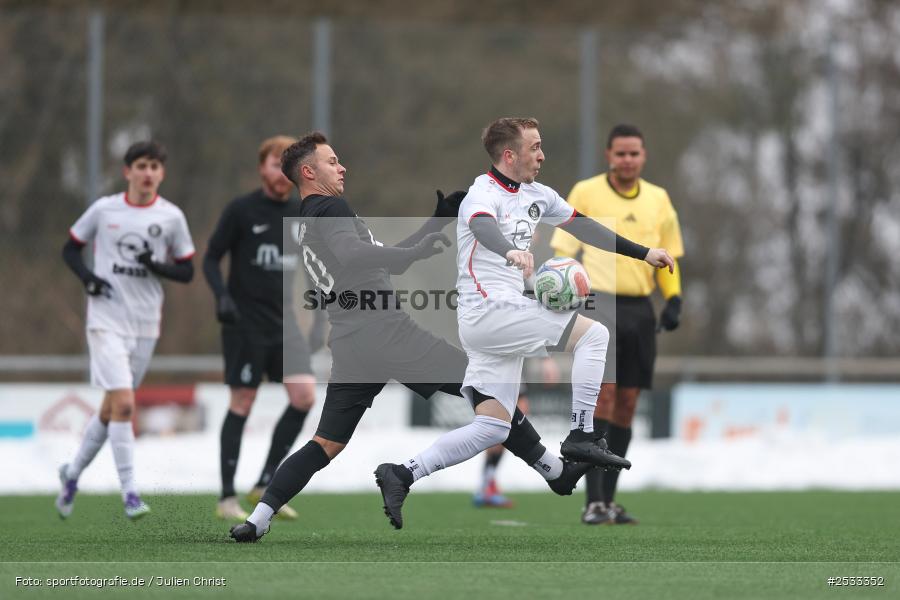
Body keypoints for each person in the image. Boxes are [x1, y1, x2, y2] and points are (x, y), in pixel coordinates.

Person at [230, 132, 600, 542]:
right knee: (490, 394)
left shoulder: (307, 219)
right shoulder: (331, 206)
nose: (342, 167)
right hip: (388, 333)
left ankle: (258, 519)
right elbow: (365, 257)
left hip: (353, 344)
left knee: (326, 443)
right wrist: (412, 252)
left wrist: (434, 222)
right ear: (308, 171)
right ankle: (555, 471)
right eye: (332, 161)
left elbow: (379, 261)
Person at [372, 117, 674, 530]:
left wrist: (644, 254)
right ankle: (581, 436)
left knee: (492, 425)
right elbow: (480, 223)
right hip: (487, 312)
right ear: (509, 154)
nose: (542, 154)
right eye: (535, 147)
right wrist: (510, 250)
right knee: (595, 334)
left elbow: (585, 228)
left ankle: (403, 473)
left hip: (500, 317)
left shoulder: (538, 195)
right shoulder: (482, 192)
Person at [550, 123, 685, 525]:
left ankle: (609, 500)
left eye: (634, 153)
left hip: (639, 310)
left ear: (643, 157)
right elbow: (563, 253)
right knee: (603, 398)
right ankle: (592, 502)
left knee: (628, 404)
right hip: (598, 306)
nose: (628, 159)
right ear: (609, 155)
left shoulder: (659, 199)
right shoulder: (586, 192)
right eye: (620, 153)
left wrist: (673, 298)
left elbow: (669, 258)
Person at [56, 141, 195, 520]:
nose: (148, 173)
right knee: (126, 404)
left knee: (110, 408)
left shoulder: (171, 217)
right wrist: (88, 279)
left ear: (161, 174)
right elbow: (70, 248)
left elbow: (186, 271)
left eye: (154, 166)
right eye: (141, 166)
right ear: (127, 172)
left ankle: (71, 475)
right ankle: (130, 493)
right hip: (106, 319)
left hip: (146, 323)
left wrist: (156, 265)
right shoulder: (105, 209)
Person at [203, 136, 324, 521]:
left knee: (304, 396)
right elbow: (210, 258)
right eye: (274, 163)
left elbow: (314, 266)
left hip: (285, 324)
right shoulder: (241, 210)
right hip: (245, 324)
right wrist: (221, 296)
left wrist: (321, 314)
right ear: (262, 167)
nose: (279, 172)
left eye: (285, 165)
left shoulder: (302, 213)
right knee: (242, 402)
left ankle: (264, 484)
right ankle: (225, 498)